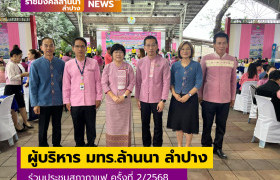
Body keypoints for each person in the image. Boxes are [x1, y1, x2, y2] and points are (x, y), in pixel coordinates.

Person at [199, 32, 237, 159]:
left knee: (221, 126)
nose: (221, 46)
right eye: (219, 43)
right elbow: (201, 79)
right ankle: (205, 148)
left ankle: (218, 148)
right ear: (214, 44)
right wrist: (200, 95)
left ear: (227, 44)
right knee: (207, 125)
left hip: (225, 100)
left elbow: (233, 81)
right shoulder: (206, 59)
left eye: (224, 43)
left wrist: (233, 98)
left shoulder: (232, 60)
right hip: (208, 99)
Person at [63, 37, 102, 147]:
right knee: (78, 127)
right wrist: (66, 101)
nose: (80, 49)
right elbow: (66, 85)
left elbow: (98, 82)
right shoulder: (68, 65)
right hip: (75, 102)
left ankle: (91, 144)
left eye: (82, 46)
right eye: (77, 46)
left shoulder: (93, 63)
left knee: (91, 126)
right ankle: (79, 146)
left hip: (90, 101)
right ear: (73, 48)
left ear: (86, 48)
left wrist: (98, 97)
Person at [135, 36, 170, 147]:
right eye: (148, 45)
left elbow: (166, 82)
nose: (151, 48)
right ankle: (146, 146)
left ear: (157, 46)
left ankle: (157, 147)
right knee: (145, 124)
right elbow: (138, 82)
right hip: (144, 99)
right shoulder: (141, 62)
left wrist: (163, 100)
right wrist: (138, 99)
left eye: (153, 45)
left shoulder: (164, 62)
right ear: (144, 47)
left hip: (157, 100)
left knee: (158, 125)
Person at [29, 37, 65, 147]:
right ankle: (43, 147)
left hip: (58, 101)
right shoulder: (36, 64)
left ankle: (57, 145)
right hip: (43, 101)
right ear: (41, 47)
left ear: (54, 47)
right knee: (43, 127)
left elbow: (64, 83)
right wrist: (35, 103)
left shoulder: (61, 63)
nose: (48, 48)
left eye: (51, 45)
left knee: (57, 125)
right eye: (46, 45)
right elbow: (33, 85)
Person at [167, 41, 203, 147]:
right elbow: (171, 82)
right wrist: (174, 94)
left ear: (191, 51)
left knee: (189, 124)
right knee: (178, 124)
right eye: (182, 49)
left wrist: (188, 95)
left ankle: (187, 146)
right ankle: (179, 146)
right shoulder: (175, 66)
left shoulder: (196, 65)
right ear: (179, 51)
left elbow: (198, 83)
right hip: (177, 98)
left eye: (188, 49)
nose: (185, 51)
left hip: (190, 99)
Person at [101, 44, 135, 147]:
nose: (118, 54)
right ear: (111, 54)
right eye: (115, 52)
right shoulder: (107, 67)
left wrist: (124, 96)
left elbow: (132, 83)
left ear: (124, 54)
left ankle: (124, 146)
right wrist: (113, 97)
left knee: (125, 125)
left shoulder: (128, 67)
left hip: (124, 102)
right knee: (112, 126)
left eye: (120, 52)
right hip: (112, 102)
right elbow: (104, 83)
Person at [4, 45, 31, 131]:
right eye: (20, 57)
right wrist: (22, 75)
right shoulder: (10, 65)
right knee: (13, 108)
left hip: (17, 87)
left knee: (22, 105)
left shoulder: (17, 64)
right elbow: (11, 77)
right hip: (11, 87)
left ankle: (25, 122)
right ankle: (16, 125)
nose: (20, 59)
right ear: (14, 56)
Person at [25, 49, 41, 121]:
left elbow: (31, 74)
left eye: (29, 54)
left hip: (33, 82)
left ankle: (35, 116)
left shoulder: (33, 63)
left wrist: (27, 82)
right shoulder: (31, 62)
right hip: (31, 82)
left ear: (33, 55)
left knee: (33, 97)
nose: (27, 55)